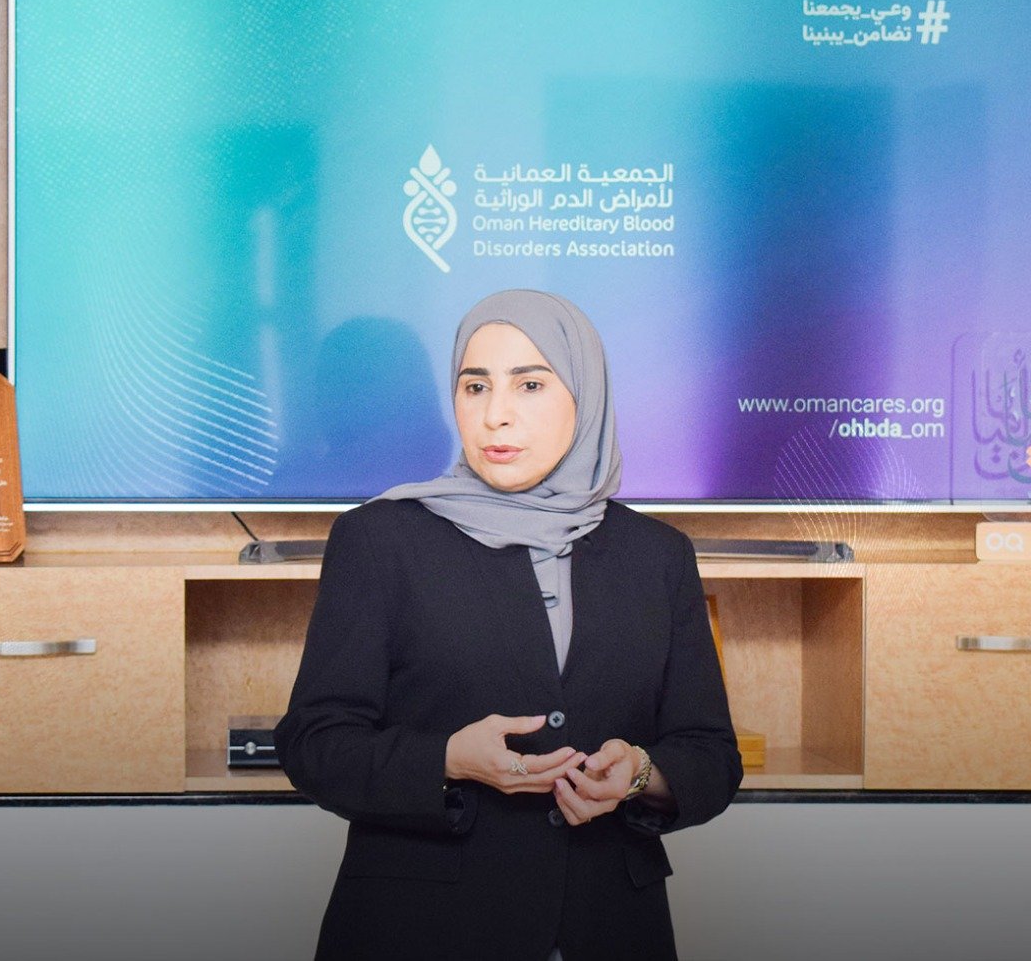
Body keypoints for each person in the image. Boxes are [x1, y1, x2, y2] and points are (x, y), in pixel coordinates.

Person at [274, 289, 742, 961]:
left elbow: (712, 755)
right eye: (475, 386)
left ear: (585, 393)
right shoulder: (379, 540)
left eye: (530, 384)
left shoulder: (657, 555)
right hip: (420, 929)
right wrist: (447, 758)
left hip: (609, 927)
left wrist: (642, 773)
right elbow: (314, 744)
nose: (495, 413)